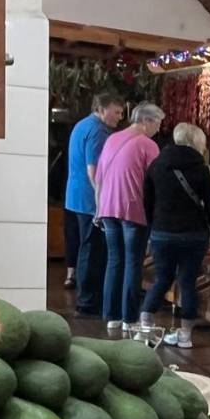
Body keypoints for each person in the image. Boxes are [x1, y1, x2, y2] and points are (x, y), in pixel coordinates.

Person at [138, 123, 210, 349]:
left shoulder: (157, 165)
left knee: (162, 279)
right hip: (194, 234)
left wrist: (151, 227)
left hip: (162, 232)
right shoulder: (201, 168)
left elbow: (147, 201)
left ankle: (145, 325)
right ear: (197, 142)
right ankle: (185, 335)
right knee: (187, 282)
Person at [94, 101, 164, 333]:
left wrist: (98, 207)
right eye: (157, 123)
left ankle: (111, 315)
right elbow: (156, 181)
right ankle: (129, 318)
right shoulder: (148, 145)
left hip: (107, 207)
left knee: (114, 261)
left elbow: (100, 176)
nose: (159, 129)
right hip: (133, 209)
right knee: (133, 263)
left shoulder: (112, 139)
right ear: (146, 121)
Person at [66, 92, 123, 314]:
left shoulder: (82, 124)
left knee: (86, 247)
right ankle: (88, 300)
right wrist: (102, 203)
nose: (119, 117)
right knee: (91, 250)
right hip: (89, 199)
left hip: (76, 196)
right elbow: (94, 171)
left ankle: (87, 296)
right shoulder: (99, 130)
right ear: (102, 109)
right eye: (116, 112)